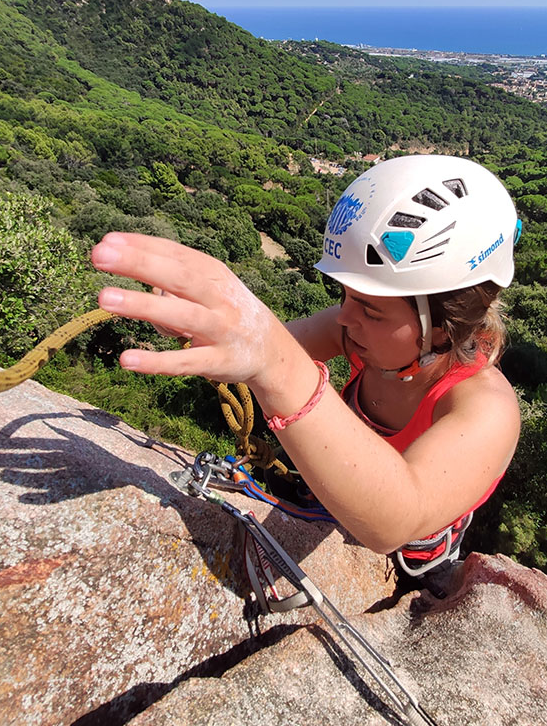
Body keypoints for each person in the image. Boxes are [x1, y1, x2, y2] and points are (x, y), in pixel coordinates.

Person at [92, 154, 521, 594]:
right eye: (345, 295)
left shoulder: (485, 408)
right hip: (324, 499)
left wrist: (277, 367)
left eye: (372, 309)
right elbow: (260, 346)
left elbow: (398, 518)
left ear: (445, 324)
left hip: (410, 562)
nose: (346, 317)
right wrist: (200, 324)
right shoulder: (359, 335)